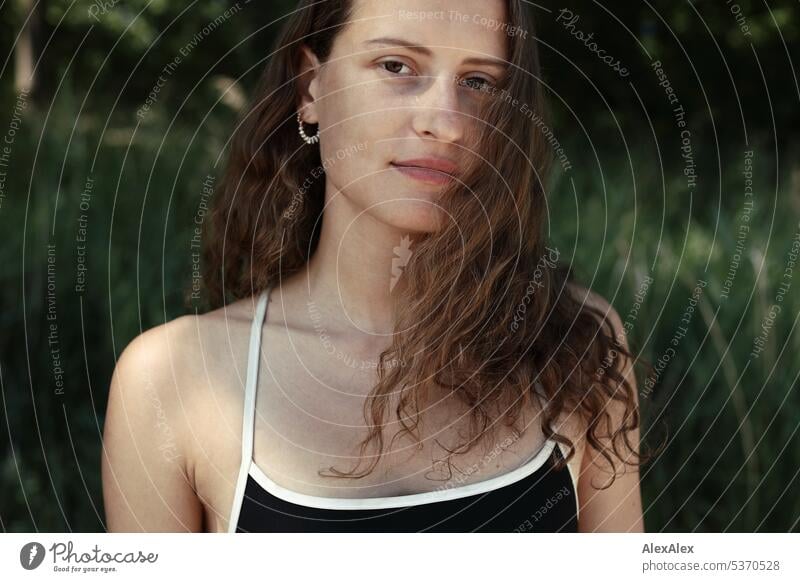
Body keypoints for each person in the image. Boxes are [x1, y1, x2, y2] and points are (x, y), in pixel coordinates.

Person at [102, 0, 645, 533]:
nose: (445, 123)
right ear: (310, 86)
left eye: (479, 81)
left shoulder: (575, 345)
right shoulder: (170, 379)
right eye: (396, 67)